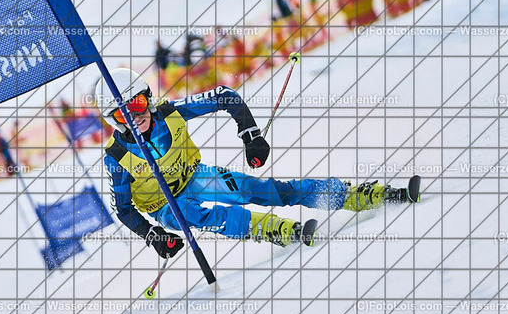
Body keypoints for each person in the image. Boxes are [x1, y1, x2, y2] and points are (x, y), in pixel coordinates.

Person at [95, 69, 419, 259]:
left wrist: (250, 135)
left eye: (138, 103)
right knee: (201, 215)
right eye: (123, 113)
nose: (135, 116)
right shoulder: (117, 156)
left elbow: (225, 96)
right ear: (114, 120)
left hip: (195, 175)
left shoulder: (170, 112)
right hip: (164, 204)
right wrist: (152, 235)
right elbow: (123, 209)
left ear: (148, 99)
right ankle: (272, 229)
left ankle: (351, 195)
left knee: (262, 190)